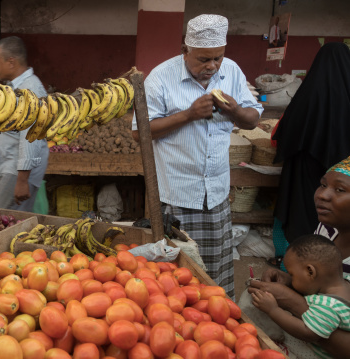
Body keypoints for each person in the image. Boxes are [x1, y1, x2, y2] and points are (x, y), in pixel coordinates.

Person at [131, 14, 263, 299]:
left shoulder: (232, 71)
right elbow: (138, 131)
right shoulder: (161, 77)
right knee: (178, 275)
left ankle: (217, 315)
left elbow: (252, 119)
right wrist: (188, 115)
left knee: (215, 273)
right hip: (176, 194)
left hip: (215, 194)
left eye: (217, 58)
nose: (212, 66)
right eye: (203, 59)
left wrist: (235, 112)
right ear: (184, 50)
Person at [249, 155, 350, 359]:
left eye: (340, 189)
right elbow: (322, 279)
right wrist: (290, 281)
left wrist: (293, 302)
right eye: (322, 185)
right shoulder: (327, 228)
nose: (322, 195)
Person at [271, 43, 350, 245]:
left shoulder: (307, 93)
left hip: (305, 169)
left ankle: (300, 256)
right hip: (342, 174)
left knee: (305, 212)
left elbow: (285, 130)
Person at [252, 234, 350, 359]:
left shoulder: (327, 306)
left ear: (310, 272)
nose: (291, 279)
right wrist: (289, 282)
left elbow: (307, 332)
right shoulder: (346, 283)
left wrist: (273, 310)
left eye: (292, 275)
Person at [0, 36, 49, 212]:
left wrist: (22, 181)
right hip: (11, 166)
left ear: (11, 62)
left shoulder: (30, 90)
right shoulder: (13, 87)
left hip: (18, 170)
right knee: (11, 220)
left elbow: (31, 137)